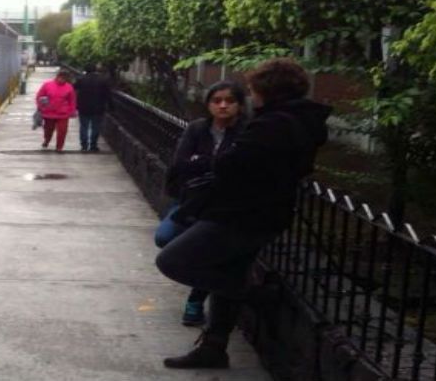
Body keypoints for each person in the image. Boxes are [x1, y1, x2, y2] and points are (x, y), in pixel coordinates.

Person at [155, 58, 331, 369]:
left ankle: (257, 296)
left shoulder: (274, 124)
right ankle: (214, 346)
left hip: (240, 216)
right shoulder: (297, 120)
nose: (251, 96)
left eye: (251, 90)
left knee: (172, 259)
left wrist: (216, 162)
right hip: (262, 213)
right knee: (229, 270)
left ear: (267, 90)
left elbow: (229, 164)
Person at [154, 81, 246, 327]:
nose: (223, 105)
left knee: (208, 247)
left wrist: (203, 162)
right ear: (208, 105)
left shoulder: (246, 132)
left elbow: (238, 170)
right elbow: (181, 164)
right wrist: (211, 164)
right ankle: (222, 285)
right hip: (191, 201)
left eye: (230, 100)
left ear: (240, 105)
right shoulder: (197, 129)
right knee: (164, 238)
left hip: (223, 207)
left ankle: (196, 299)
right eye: (217, 100)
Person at [73, 64, 113, 152]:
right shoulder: (103, 80)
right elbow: (108, 95)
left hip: (83, 107)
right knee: (96, 127)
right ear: (95, 70)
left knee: (84, 126)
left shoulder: (81, 79)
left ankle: (84, 145)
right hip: (98, 107)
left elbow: (73, 88)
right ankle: (93, 145)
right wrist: (111, 106)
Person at [36, 69, 78, 152]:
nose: (62, 80)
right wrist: (41, 106)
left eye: (64, 78)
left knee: (62, 131)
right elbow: (40, 96)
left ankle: (59, 147)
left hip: (63, 113)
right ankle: (47, 140)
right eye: (61, 77)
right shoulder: (47, 85)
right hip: (49, 112)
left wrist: (72, 110)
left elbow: (72, 100)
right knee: (48, 129)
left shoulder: (69, 87)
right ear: (57, 76)